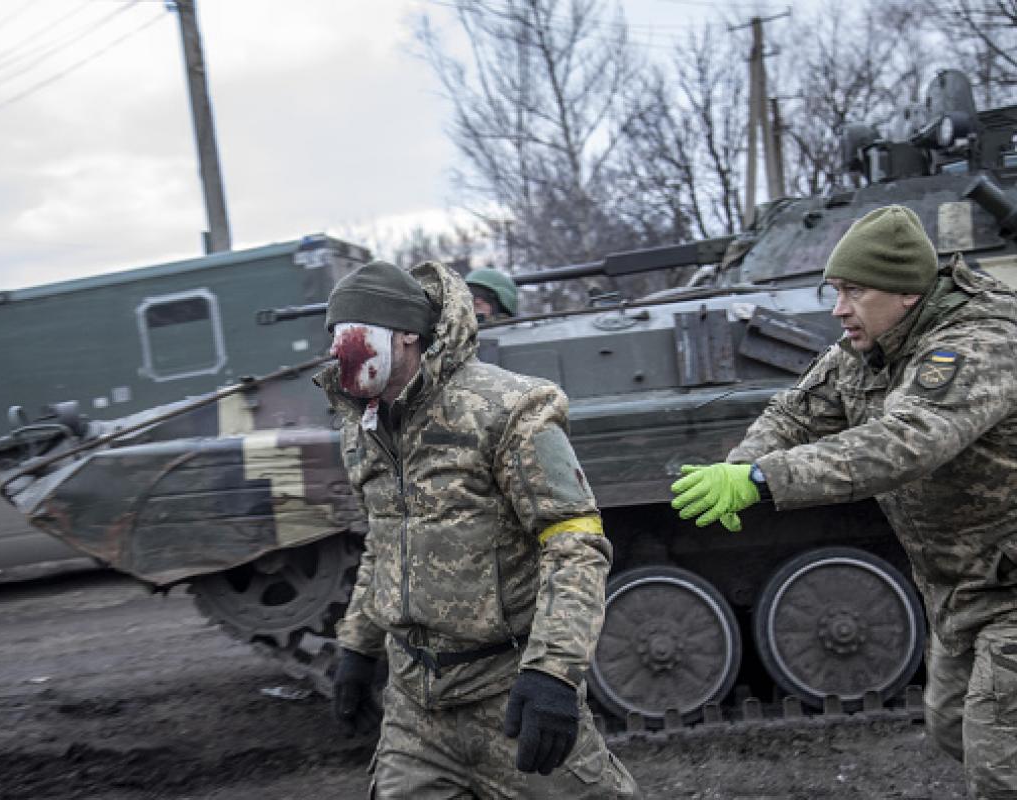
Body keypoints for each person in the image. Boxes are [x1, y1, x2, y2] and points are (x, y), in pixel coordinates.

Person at [669, 204, 1017, 799]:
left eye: (853, 291)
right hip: (961, 591)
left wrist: (762, 479)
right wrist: (738, 466)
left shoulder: (979, 343)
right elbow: (796, 413)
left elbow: (905, 441)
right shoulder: (867, 348)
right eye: (834, 290)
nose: (838, 309)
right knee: (953, 726)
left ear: (906, 292)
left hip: (1008, 587)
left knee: (998, 763)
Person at [315, 259, 640, 799]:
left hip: (508, 695)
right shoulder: (362, 429)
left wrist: (554, 673)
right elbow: (384, 542)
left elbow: (574, 541)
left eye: (350, 334)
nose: (336, 352)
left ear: (406, 336)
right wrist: (358, 647)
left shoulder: (508, 409)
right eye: (331, 337)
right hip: (414, 709)